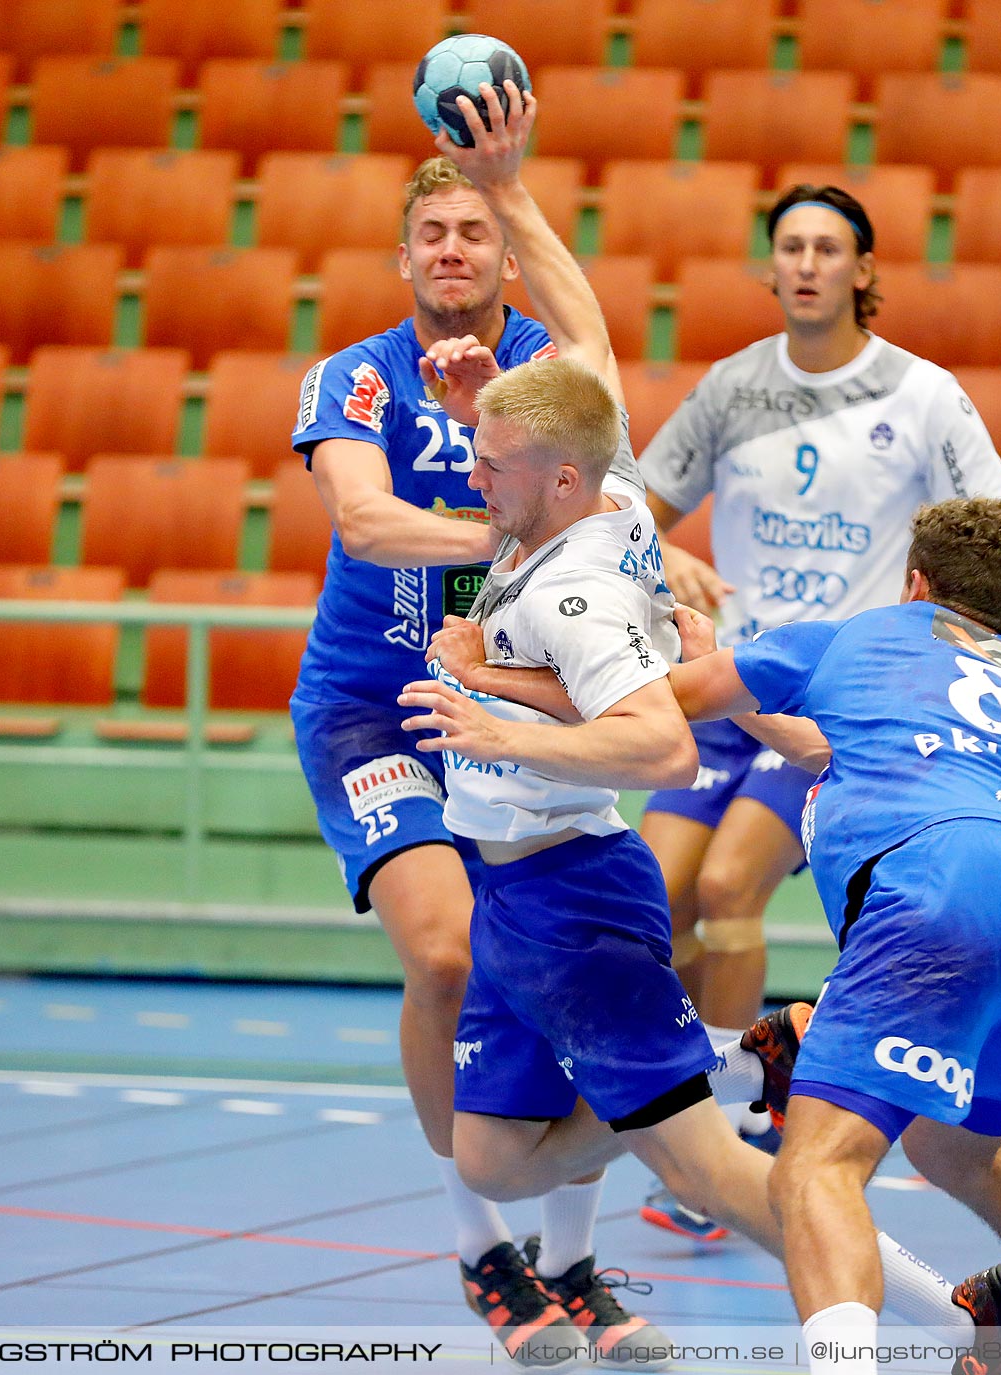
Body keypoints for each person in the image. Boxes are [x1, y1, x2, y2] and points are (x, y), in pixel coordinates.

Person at [400, 86, 1001, 1375]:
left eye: (485, 450)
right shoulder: (584, 499)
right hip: (574, 821)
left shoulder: (583, 565)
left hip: (701, 763)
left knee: (710, 1151)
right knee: (505, 1143)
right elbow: (585, 377)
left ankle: (918, 1285)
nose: (468, 463)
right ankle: (724, 1071)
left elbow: (645, 735)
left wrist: (490, 714)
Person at [666, 497, 1001, 1375]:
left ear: (915, 582)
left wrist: (672, 661)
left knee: (813, 1166)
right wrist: (748, 704)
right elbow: (834, 747)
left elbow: (673, 701)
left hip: (942, 881)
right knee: (959, 1152)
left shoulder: (862, 633)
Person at [288, 102, 668, 1361]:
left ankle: (573, 1262)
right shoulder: (358, 376)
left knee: (568, 969)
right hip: (379, 709)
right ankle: (482, 1252)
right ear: (403, 262)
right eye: (430, 233)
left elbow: (604, 364)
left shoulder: (544, 382)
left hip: (517, 706)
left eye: (472, 229)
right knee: (449, 952)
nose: (451, 248)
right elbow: (365, 523)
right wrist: (519, 545)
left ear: (503, 255)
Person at [636, 183, 1001, 1240]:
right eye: (789, 246)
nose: (806, 263)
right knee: (657, 904)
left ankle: (741, 1135)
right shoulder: (731, 389)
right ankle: (691, 1122)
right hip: (727, 683)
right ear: (772, 267)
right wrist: (664, 552)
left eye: (827, 247)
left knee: (727, 882)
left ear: (862, 269)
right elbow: (632, 508)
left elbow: (997, 528)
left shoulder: (923, 394)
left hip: (834, 699)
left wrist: (927, 638)